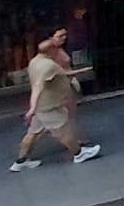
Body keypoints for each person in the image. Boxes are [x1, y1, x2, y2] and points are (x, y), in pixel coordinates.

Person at [11, 27, 101, 170]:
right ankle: (78, 153)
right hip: (49, 107)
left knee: (33, 133)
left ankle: (20, 161)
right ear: (50, 50)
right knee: (63, 132)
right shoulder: (49, 65)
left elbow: (60, 75)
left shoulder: (35, 61)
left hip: (42, 108)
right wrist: (32, 108)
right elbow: (39, 86)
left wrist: (85, 70)